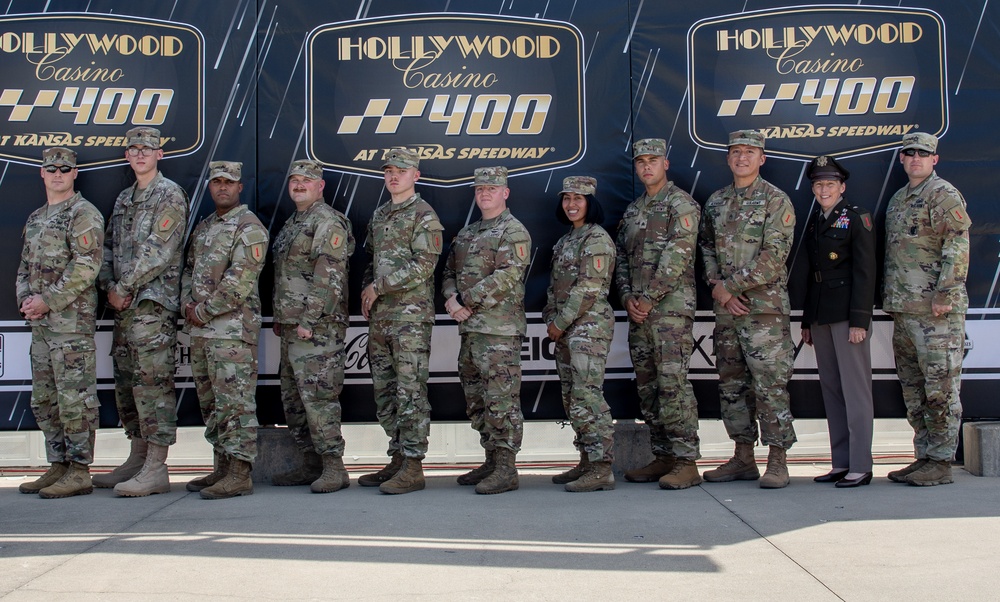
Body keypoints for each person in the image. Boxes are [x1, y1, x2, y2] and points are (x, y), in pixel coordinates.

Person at [699, 129, 797, 489]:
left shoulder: (776, 200)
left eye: (750, 152)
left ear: (762, 159)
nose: (742, 157)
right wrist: (719, 290)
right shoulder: (716, 201)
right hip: (727, 311)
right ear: (727, 158)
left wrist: (731, 286)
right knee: (731, 385)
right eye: (736, 151)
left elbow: (774, 257)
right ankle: (743, 457)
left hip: (764, 313)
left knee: (770, 386)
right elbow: (706, 249)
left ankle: (777, 460)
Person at [96, 127, 189, 497]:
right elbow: (106, 247)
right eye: (133, 149)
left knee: (153, 384)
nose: (139, 154)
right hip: (123, 307)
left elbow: (159, 250)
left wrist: (124, 287)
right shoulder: (123, 199)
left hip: (151, 305)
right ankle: (137, 456)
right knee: (128, 384)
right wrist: (108, 285)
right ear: (127, 155)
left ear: (159, 154)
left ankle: (156, 467)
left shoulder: (169, 195)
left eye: (147, 149)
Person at [615, 138, 704, 490]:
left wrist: (648, 298)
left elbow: (677, 257)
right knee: (649, 387)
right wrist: (626, 298)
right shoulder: (633, 210)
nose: (646, 166)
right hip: (638, 313)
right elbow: (620, 258)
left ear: (665, 163)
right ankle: (664, 455)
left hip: (669, 312)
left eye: (653, 160)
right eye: (641, 162)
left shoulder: (681, 204)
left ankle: (686, 461)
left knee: (673, 386)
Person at [884, 132, 971, 487]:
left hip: (937, 314)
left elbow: (957, 245)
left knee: (941, 389)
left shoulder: (943, 195)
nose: (916, 158)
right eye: (910, 153)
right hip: (905, 311)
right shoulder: (899, 199)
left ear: (934, 159)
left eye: (923, 153)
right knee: (914, 388)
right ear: (902, 160)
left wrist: (945, 293)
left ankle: (941, 462)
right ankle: (924, 455)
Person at [16, 147, 104, 498]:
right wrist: (26, 299)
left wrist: (46, 301)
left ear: (74, 174)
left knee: (74, 399)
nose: (57, 174)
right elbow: (24, 265)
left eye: (64, 169)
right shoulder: (37, 217)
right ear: (42, 173)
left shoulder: (83, 214)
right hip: (40, 325)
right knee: (45, 398)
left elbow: (85, 267)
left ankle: (80, 469)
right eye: (51, 168)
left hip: (70, 324)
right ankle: (58, 464)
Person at [182, 161, 268, 499]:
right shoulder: (204, 227)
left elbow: (239, 284)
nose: (222, 187)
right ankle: (221, 466)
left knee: (235, 404)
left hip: (231, 333)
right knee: (212, 405)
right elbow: (188, 272)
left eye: (228, 182)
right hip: (202, 333)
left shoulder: (249, 228)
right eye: (216, 182)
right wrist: (188, 306)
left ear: (240, 187)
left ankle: (240, 473)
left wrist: (201, 311)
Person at [443, 166, 531, 495]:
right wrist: (451, 299)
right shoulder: (467, 234)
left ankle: (507, 467)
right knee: (477, 400)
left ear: (505, 193)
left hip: (499, 332)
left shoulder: (514, 231)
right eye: (480, 189)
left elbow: (507, 276)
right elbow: (449, 271)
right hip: (470, 331)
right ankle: (492, 459)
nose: (485, 193)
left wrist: (466, 299)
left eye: (491, 189)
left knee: (501, 400)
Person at [360, 147, 443, 495]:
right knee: (386, 393)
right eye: (389, 171)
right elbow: (371, 260)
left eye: (402, 170)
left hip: (410, 320)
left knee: (410, 392)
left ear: (416, 176)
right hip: (381, 320)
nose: (394, 176)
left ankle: (413, 465)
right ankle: (396, 457)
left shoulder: (425, 216)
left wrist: (378, 287)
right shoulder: (380, 216)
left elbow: (424, 265)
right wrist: (369, 289)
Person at [271, 159, 354, 493]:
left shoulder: (327, 221)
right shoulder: (293, 222)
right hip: (292, 328)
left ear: (321, 186)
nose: (299, 184)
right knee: (294, 400)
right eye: (294, 179)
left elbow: (329, 276)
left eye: (307, 180)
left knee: (319, 399)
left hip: (316, 330)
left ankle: (334, 467)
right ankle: (310, 463)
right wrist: (284, 319)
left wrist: (308, 321)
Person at [800, 155, 876, 488]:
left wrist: (860, 319)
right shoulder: (817, 219)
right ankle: (841, 462)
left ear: (841, 187)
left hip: (848, 316)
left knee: (856, 392)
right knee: (832, 391)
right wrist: (807, 319)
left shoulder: (857, 217)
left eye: (830, 183)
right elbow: (812, 275)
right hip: (821, 316)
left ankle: (861, 465)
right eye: (818, 184)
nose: (823, 189)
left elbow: (865, 272)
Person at [543, 176, 616, 492]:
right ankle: (587, 459)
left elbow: (589, 289)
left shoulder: (596, 239)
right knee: (573, 397)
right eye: (567, 198)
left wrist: (559, 323)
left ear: (591, 203)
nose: (571, 204)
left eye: (579, 198)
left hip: (588, 328)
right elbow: (554, 288)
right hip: (567, 330)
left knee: (588, 395)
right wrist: (552, 318)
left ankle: (602, 468)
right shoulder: (566, 240)